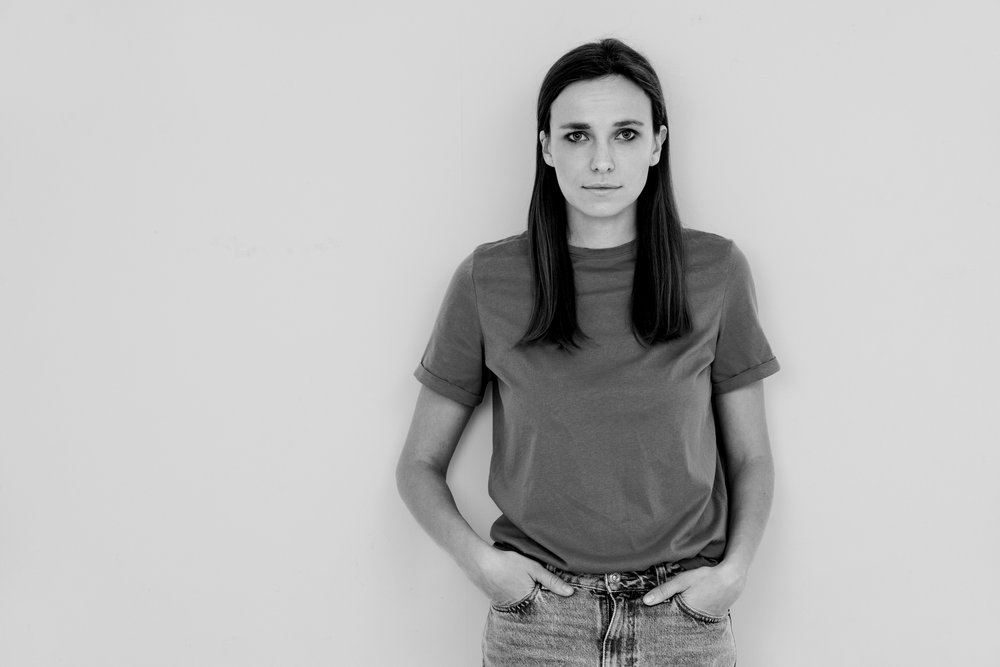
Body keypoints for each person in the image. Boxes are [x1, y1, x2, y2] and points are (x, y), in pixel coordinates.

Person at [396, 37, 780, 666]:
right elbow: (418, 465)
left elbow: (751, 455)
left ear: (658, 144)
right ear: (546, 148)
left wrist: (733, 573)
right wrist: (483, 568)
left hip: (682, 618)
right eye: (577, 136)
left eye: (625, 134)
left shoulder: (716, 272)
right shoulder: (486, 281)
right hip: (540, 623)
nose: (601, 160)